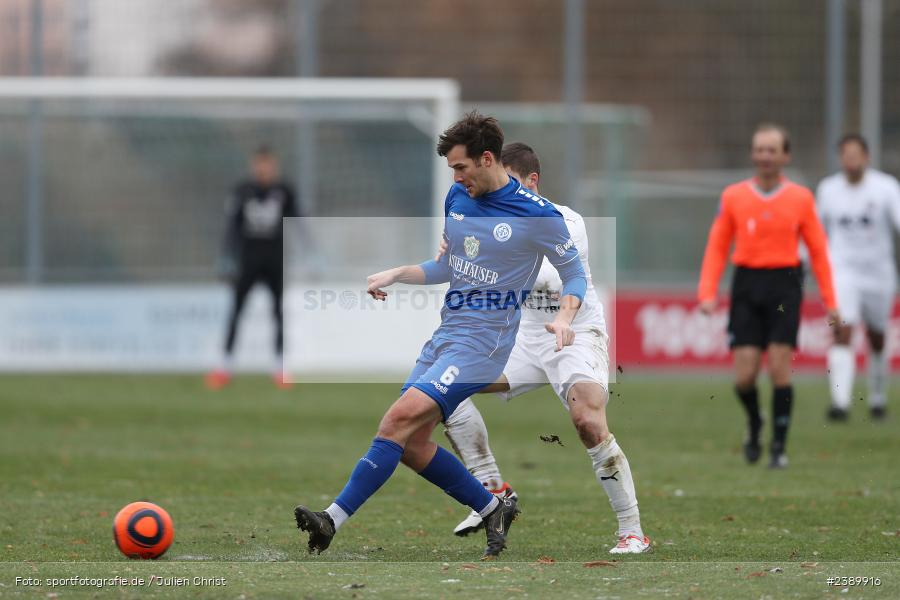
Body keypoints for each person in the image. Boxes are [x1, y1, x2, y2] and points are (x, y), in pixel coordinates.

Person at [293, 112, 587, 559]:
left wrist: (565, 318)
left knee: (395, 421)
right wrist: (398, 272)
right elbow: (448, 266)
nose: (455, 176)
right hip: (447, 336)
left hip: (483, 346)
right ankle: (492, 508)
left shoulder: (537, 215)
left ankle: (332, 519)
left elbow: (576, 277)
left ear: (487, 159)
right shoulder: (458, 197)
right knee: (410, 444)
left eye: (461, 167)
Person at [440, 142, 650, 554]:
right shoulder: (489, 217)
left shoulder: (564, 222)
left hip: (574, 332)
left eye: (510, 184)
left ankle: (632, 531)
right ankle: (493, 491)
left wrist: (564, 320)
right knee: (444, 389)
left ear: (532, 182)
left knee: (587, 422)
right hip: (524, 338)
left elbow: (556, 281)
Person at [697, 123, 839, 469]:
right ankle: (756, 422)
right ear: (753, 153)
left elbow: (819, 251)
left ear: (785, 156)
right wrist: (707, 291)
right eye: (759, 149)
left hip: (784, 286)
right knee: (744, 378)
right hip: (746, 285)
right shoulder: (733, 196)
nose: (764, 156)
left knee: (779, 369)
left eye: (771, 150)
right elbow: (718, 245)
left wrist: (831, 301)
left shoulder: (801, 198)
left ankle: (778, 446)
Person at [818, 133, 900, 421]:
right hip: (843, 271)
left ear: (866, 157)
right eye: (845, 155)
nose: (850, 161)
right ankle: (840, 403)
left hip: (879, 274)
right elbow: (816, 233)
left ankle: (877, 399)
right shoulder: (828, 190)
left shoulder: (886, 188)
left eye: (855, 155)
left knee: (877, 337)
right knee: (842, 330)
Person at [206, 146, 299, 390]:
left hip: (275, 260)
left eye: (267, 164)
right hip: (247, 260)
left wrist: (306, 252)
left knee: (278, 313)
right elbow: (232, 227)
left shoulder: (284, 191)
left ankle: (280, 368)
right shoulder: (242, 191)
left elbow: (297, 222)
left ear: (274, 166)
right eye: (259, 164)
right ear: (253, 165)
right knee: (236, 311)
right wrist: (227, 256)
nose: (263, 169)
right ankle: (224, 367)